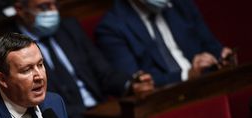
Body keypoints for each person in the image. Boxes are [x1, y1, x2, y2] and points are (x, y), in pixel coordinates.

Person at [14, 0, 154, 118]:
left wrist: (130, 84)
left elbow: (104, 72)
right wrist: (90, 114)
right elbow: (35, 104)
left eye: (54, 5)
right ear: (21, 10)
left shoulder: (69, 28)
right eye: (43, 7)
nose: (52, 12)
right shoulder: (13, 49)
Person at [95, 0, 236, 87]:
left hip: (209, 86)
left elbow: (211, 46)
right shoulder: (111, 28)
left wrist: (222, 57)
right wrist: (187, 75)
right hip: (165, 105)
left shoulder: (180, 4)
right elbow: (138, 86)